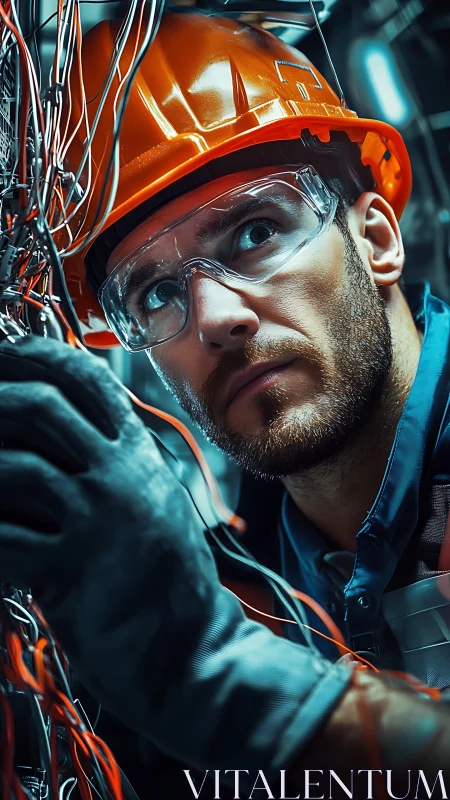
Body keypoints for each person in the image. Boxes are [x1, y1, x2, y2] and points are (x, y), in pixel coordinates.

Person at [1, 11, 450, 799]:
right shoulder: (229, 591)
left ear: (376, 236)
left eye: (254, 232)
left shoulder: (208, 643)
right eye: (157, 292)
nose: (213, 319)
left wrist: (232, 686)